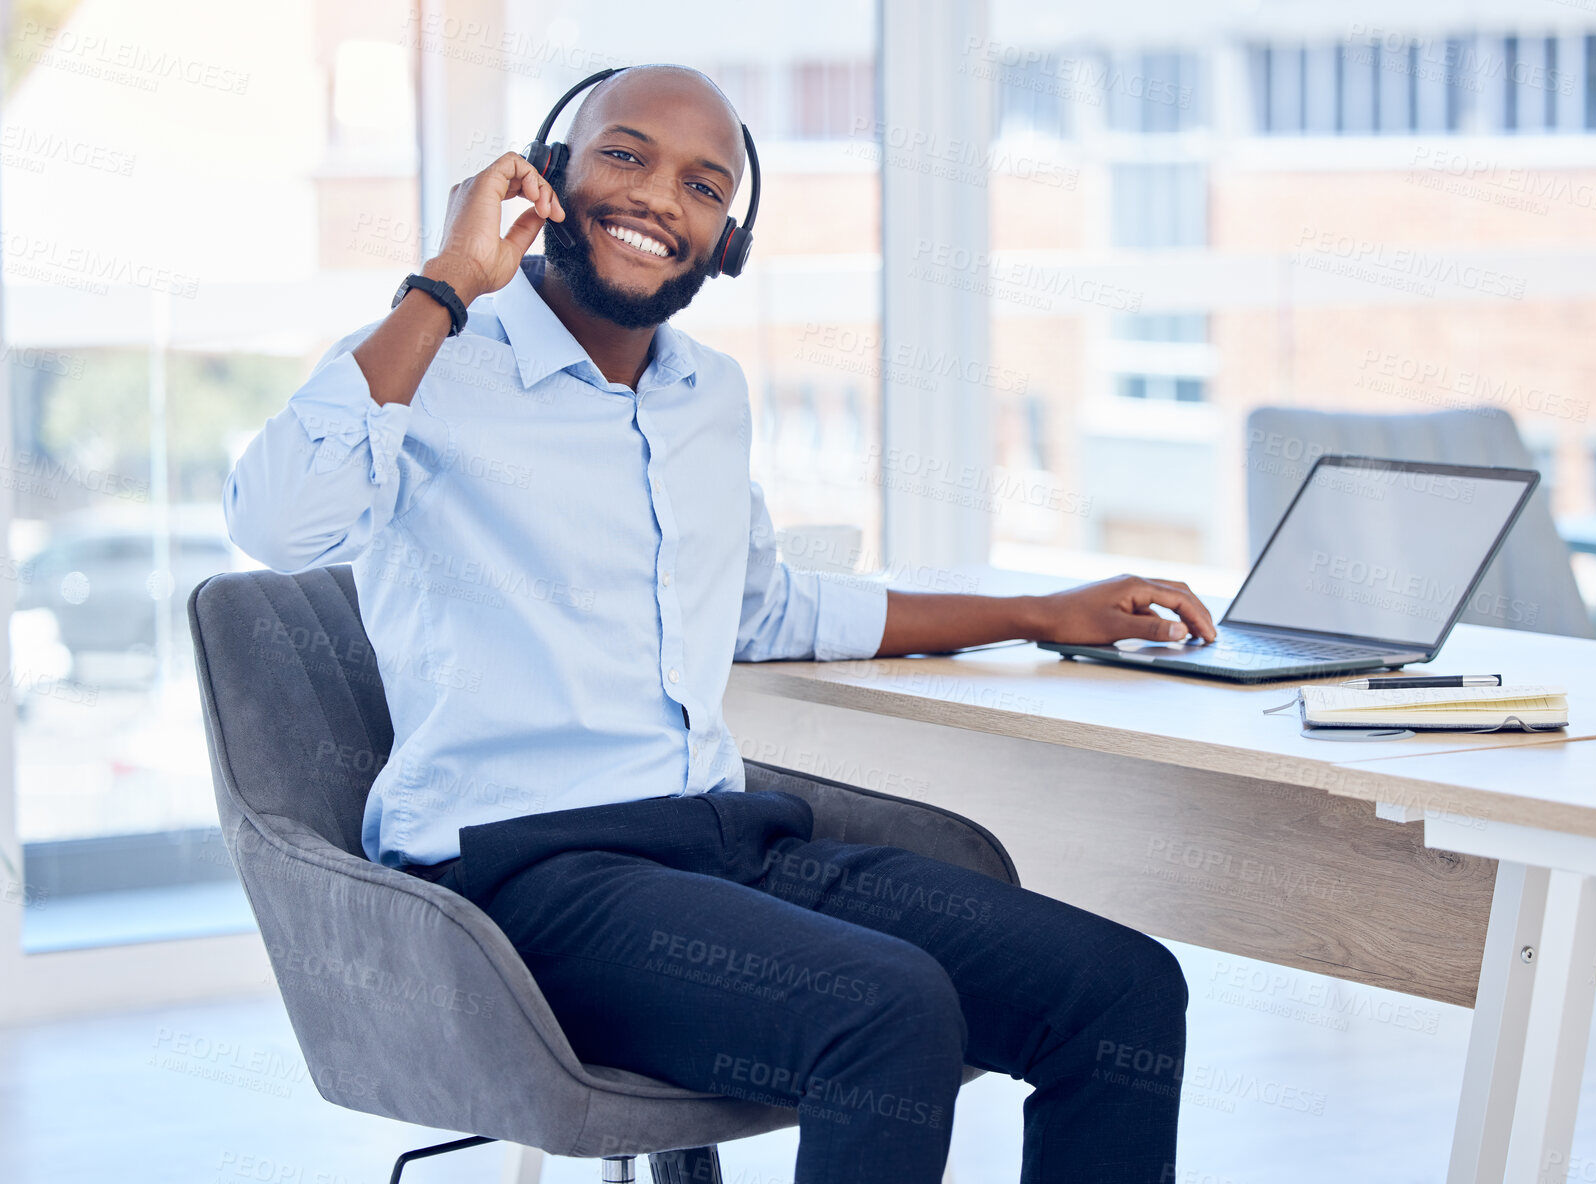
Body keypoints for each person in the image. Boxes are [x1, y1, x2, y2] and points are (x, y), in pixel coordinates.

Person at [225, 62, 1214, 1184]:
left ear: (726, 242)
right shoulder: (432, 362)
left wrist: (1040, 608)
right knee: (883, 1012)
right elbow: (276, 518)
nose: (659, 198)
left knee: (1122, 992)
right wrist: (448, 277)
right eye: (624, 153)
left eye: (703, 185)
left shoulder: (710, 395)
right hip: (521, 881)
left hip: (721, 841)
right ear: (547, 173)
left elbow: (767, 606)